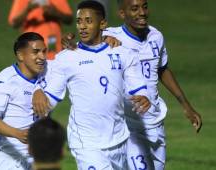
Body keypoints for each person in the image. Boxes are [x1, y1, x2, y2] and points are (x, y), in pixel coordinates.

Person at [63, 0, 203, 169]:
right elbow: (88, 39)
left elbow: (163, 69)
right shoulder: (111, 37)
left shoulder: (156, 36)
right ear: (122, 14)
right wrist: (69, 42)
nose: (142, 12)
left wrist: (186, 106)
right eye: (135, 9)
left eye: (144, 6)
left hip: (155, 122)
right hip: (129, 126)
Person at [32, 1, 151, 169]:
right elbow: (49, 94)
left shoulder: (121, 53)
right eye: (79, 21)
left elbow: (137, 86)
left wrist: (144, 96)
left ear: (102, 23)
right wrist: (38, 90)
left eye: (88, 21)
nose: (82, 26)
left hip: (118, 139)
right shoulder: (67, 58)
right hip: (86, 144)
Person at [0, 32, 47, 170]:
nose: (42, 57)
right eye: (35, 52)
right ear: (20, 55)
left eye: (44, 51)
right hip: (4, 161)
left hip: (30, 161)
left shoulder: (44, 75)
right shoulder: (5, 81)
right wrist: (18, 133)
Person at [8, 0, 73, 60]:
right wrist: (28, 9)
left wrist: (55, 13)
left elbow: (69, 19)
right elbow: (14, 23)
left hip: (54, 48)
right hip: (31, 47)